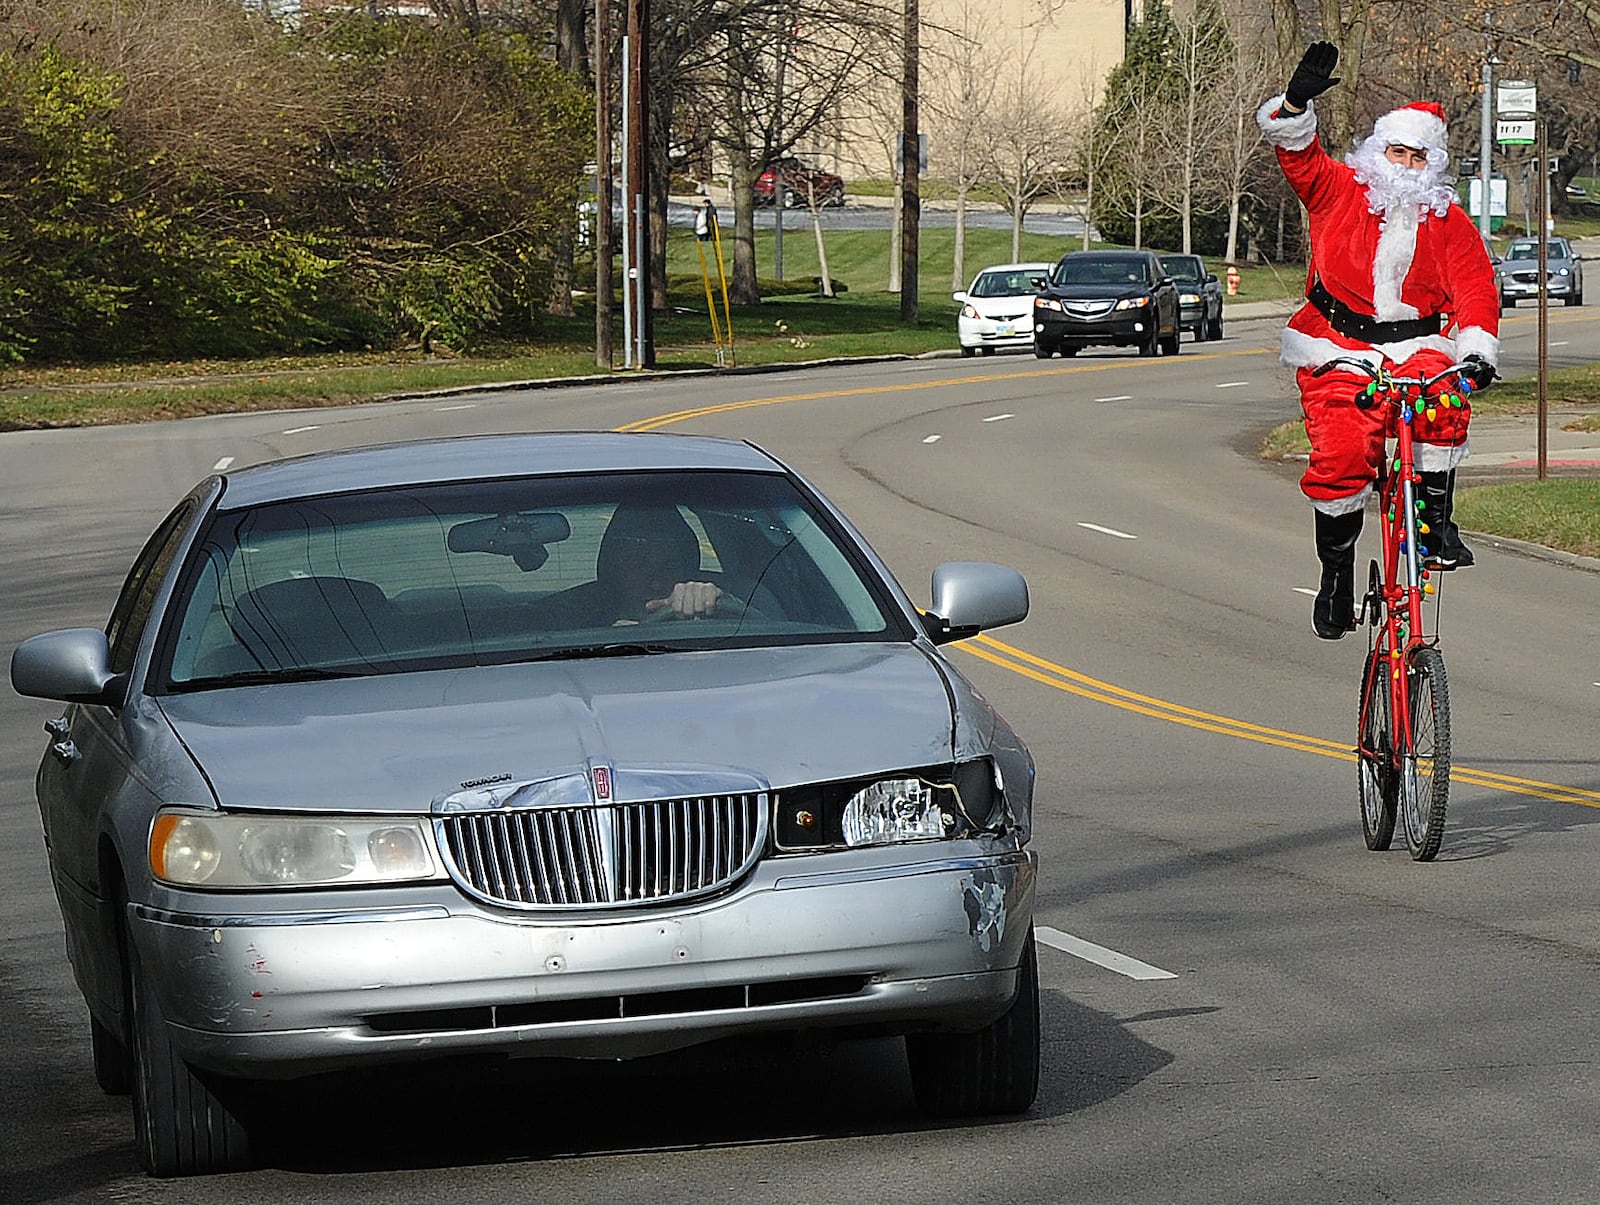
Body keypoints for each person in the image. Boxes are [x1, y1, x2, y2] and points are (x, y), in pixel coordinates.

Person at [1258, 42, 1501, 640]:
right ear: (1376, 152)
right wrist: (1295, 102)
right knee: (1343, 453)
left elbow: (1476, 288)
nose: (1406, 165)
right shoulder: (1337, 190)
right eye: (1397, 151)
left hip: (1417, 344)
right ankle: (1337, 573)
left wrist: (1475, 351)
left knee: (1443, 400)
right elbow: (1298, 154)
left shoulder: (1450, 223)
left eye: (1418, 157)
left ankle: (1434, 522)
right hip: (1336, 345)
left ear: (1434, 164)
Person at [595, 504, 725, 623]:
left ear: (688, 572)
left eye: (670, 567)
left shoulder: (702, 620)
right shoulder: (581, 628)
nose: (656, 584)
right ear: (614, 572)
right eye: (638, 566)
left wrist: (711, 602)